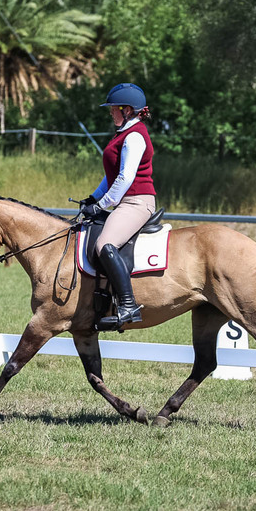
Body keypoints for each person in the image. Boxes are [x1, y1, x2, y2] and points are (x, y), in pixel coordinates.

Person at [79, 83, 156, 330]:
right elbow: (112, 175)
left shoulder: (134, 136)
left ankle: (128, 305)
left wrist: (102, 204)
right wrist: (94, 198)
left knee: (105, 244)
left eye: (114, 108)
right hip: (125, 201)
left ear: (128, 110)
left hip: (137, 201)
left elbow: (126, 178)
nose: (111, 112)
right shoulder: (123, 133)